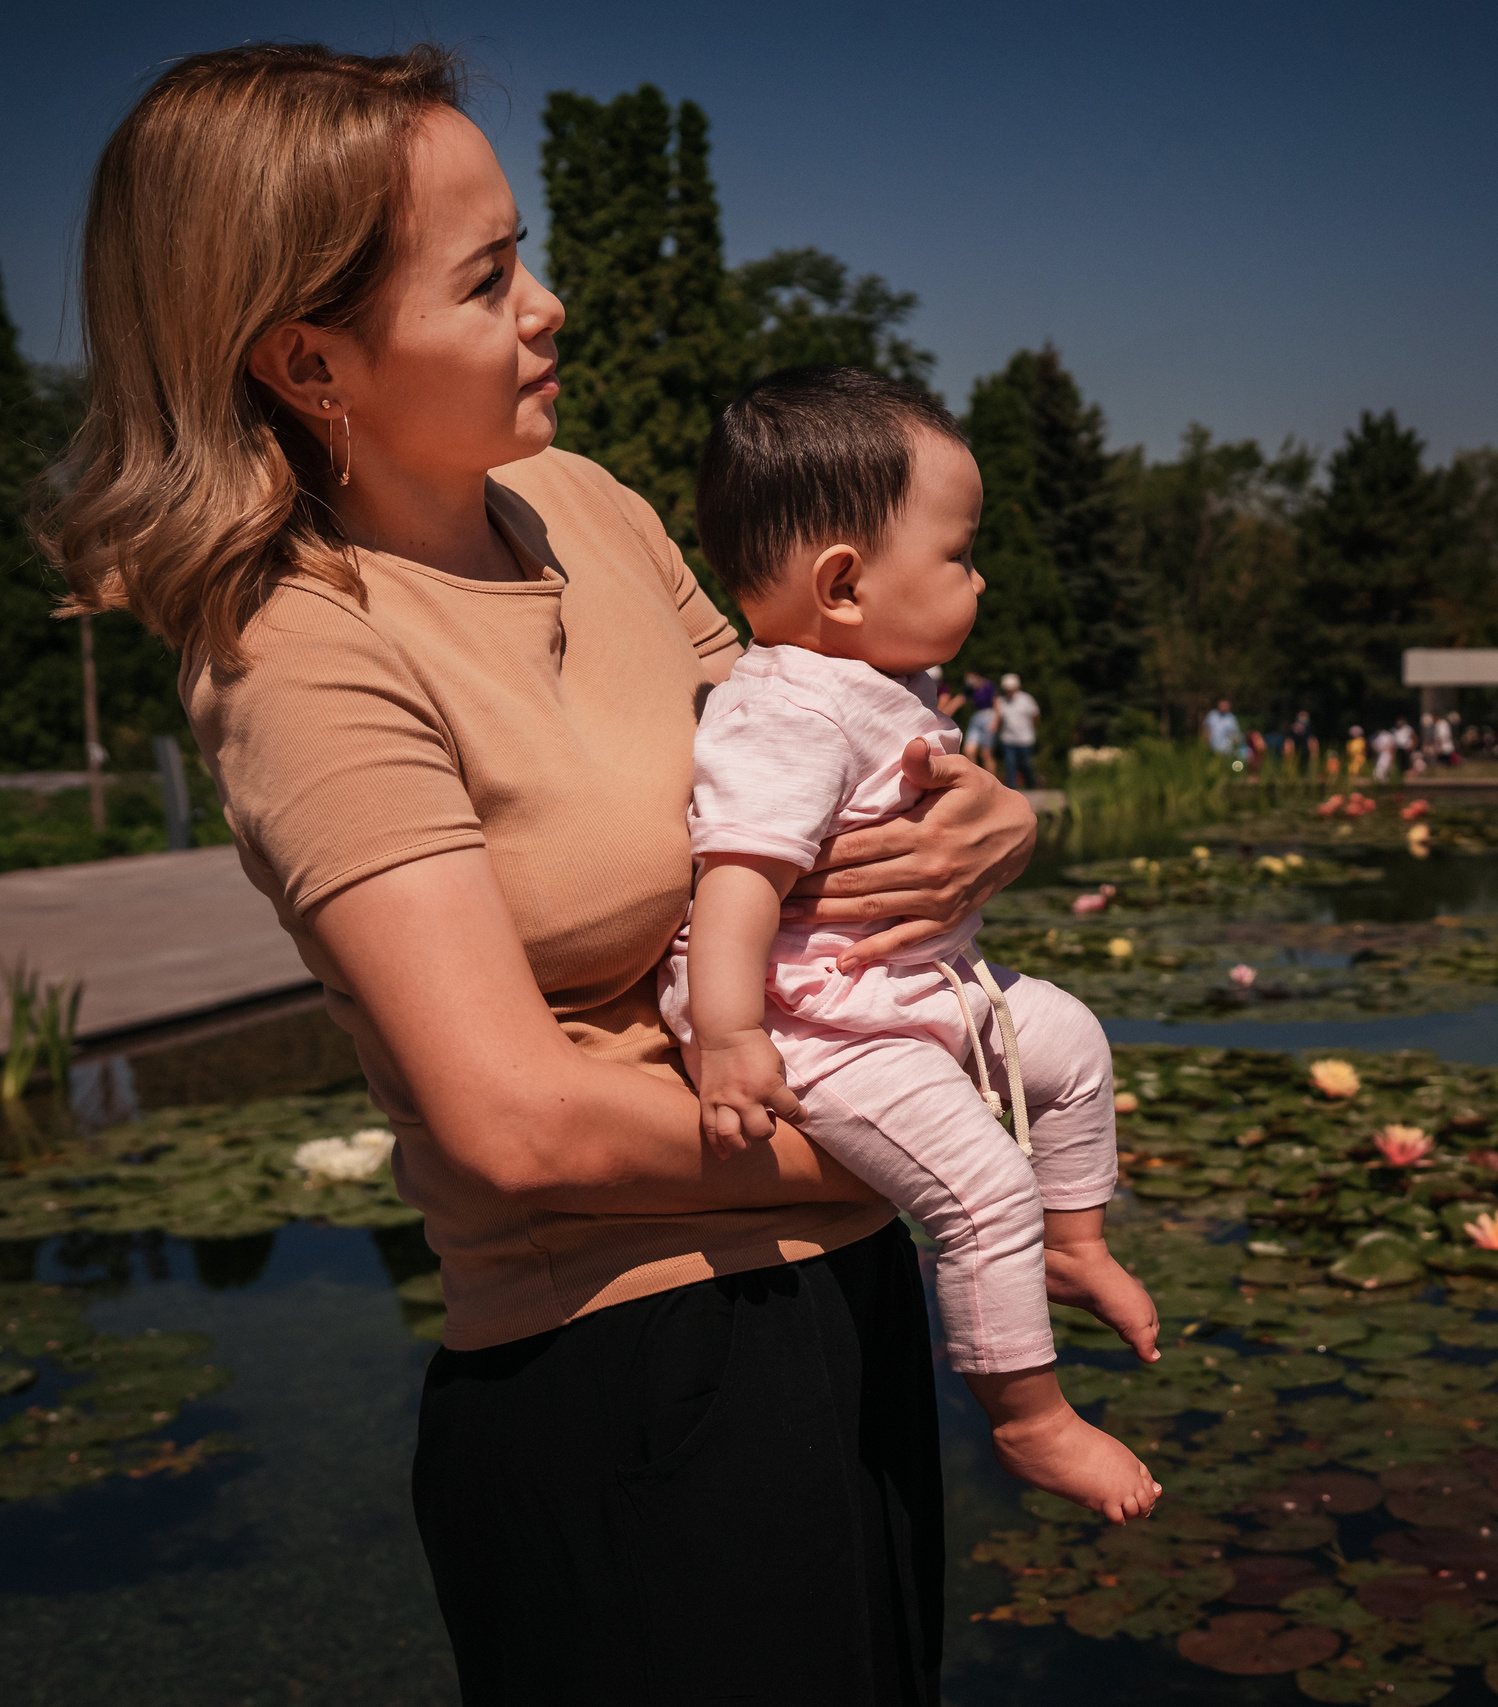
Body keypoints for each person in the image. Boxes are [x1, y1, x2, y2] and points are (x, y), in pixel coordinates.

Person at [39, 45, 1037, 1702]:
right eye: (490, 276)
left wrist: (991, 813)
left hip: (830, 1311)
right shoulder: (304, 651)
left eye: (531, 254)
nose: (549, 304)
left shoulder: (583, 500)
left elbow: (813, 751)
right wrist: (938, 1152)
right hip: (631, 1382)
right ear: (310, 358)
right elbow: (516, 1125)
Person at [669, 368, 1158, 1520]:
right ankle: (1029, 1419)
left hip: (905, 984)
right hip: (815, 1023)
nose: (977, 578)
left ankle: (1073, 1245)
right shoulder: (788, 709)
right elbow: (735, 877)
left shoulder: (874, 683)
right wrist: (732, 1040)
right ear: (844, 583)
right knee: (981, 1188)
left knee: (1074, 1044)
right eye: (958, 553)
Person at [995, 671, 1041, 787]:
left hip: (1025, 739)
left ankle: (1031, 786)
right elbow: (999, 719)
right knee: (1010, 766)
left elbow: (1035, 715)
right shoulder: (1001, 701)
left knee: (1026, 765)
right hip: (1008, 739)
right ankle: (1011, 791)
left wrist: (1033, 729)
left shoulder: (1026, 699)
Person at [962, 668, 998, 770]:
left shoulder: (989, 686)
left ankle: (992, 782)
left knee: (986, 753)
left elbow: (996, 704)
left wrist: (995, 721)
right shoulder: (970, 689)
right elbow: (960, 700)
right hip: (976, 717)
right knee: (968, 750)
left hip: (989, 717)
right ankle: (976, 778)